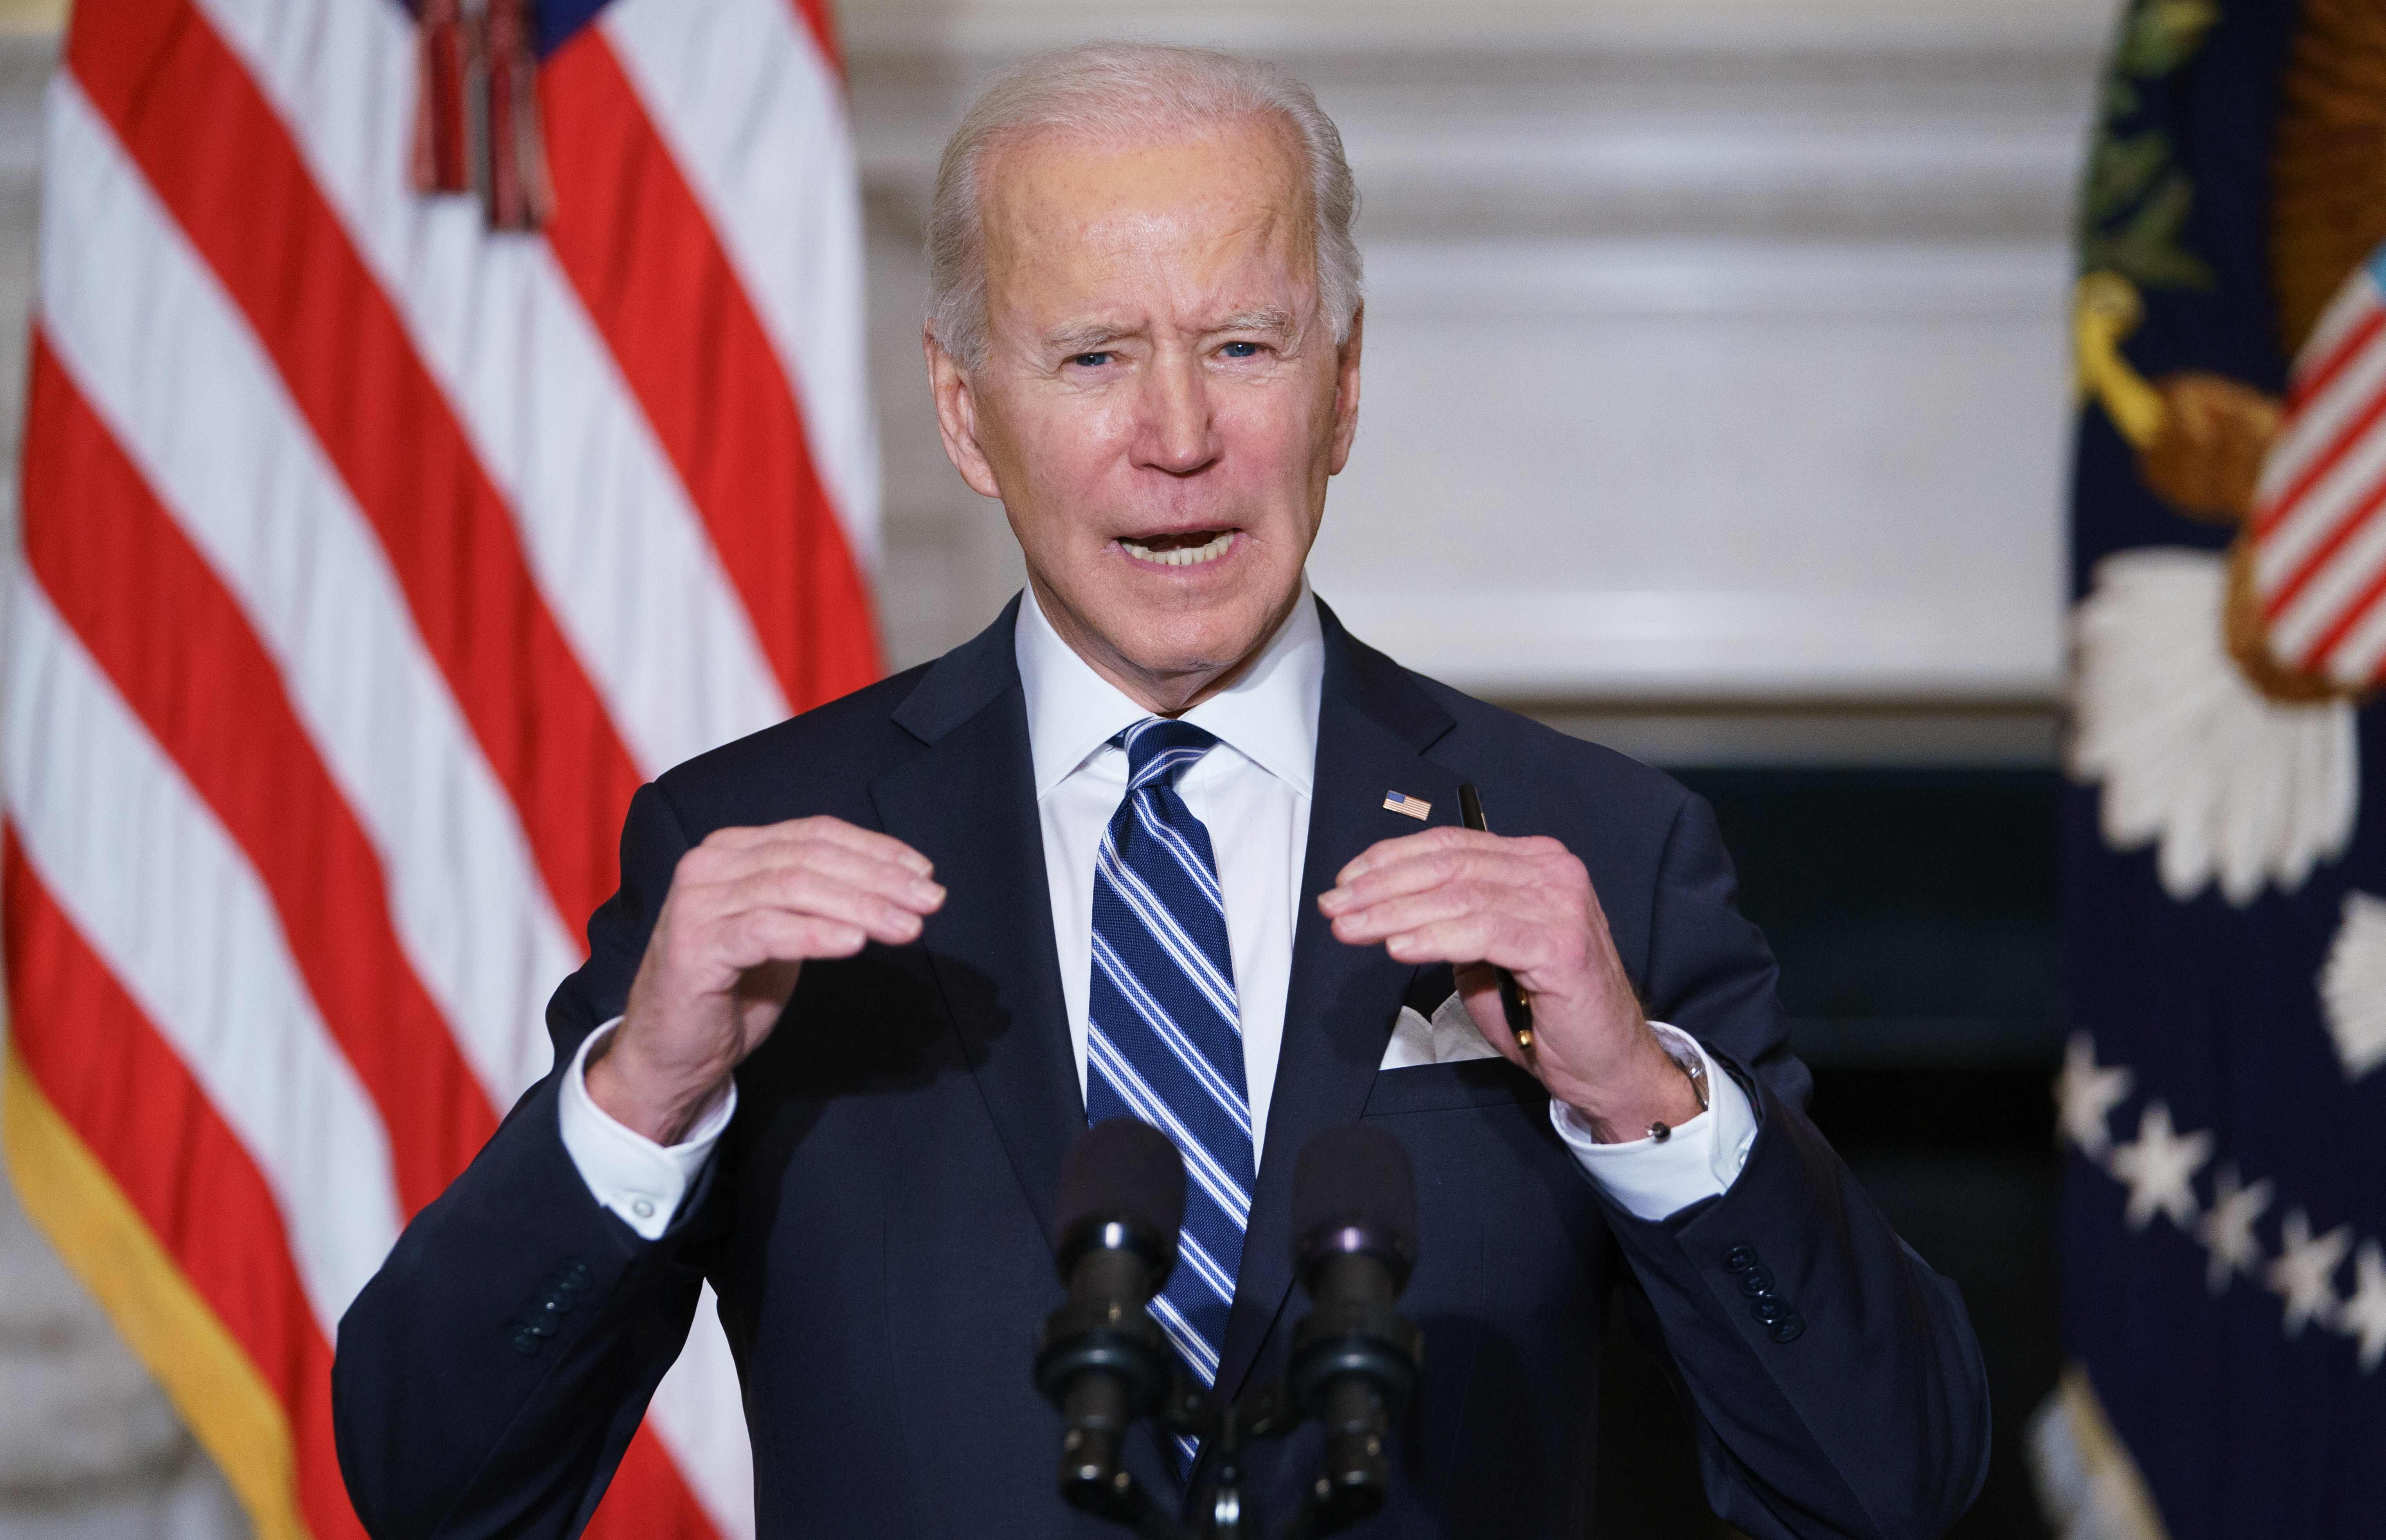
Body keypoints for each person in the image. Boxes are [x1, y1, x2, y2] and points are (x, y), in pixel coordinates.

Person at [332, 41, 1989, 1540]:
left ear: (1343, 387)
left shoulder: (1598, 855)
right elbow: (434, 1480)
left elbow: (1885, 1483)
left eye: (1244, 344)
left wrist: (1644, 1100)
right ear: (966, 412)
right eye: (1093, 358)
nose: (1178, 434)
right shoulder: (753, 854)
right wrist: (640, 1100)